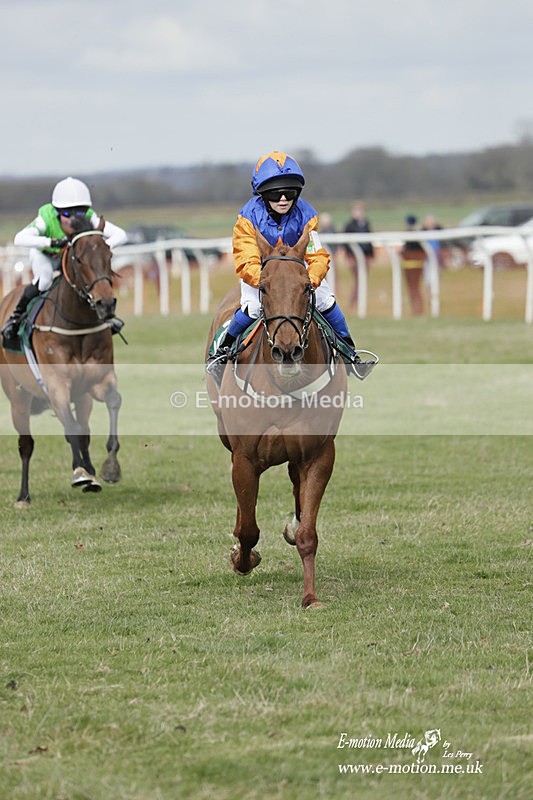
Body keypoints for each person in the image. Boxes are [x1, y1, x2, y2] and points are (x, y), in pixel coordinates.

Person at [206, 150, 376, 383]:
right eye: (276, 194)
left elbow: (317, 255)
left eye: (290, 192)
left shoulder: (307, 215)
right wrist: (267, 281)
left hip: (300, 277)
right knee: (252, 307)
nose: (284, 199)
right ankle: (222, 353)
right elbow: (246, 258)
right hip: (261, 278)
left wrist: (309, 280)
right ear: (263, 194)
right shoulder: (247, 218)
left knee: (326, 300)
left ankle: (350, 356)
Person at [2, 177, 127, 341]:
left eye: (80, 212)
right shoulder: (46, 217)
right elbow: (19, 238)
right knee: (45, 280)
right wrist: (51, 242)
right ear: (57, 212)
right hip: (45, 255)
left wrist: (96, 249)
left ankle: (106, 320)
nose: (74, 219)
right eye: (67, 213)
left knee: (87, 282)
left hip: (70, 258)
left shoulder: (90, 217)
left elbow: (121, 235)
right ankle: (16, 318)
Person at [343, 201, 374, 308]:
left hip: (365, 256)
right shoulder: (349, 225)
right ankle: (353, 304)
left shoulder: (366, 223)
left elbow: (370, 240)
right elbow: (345, 242)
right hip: (354, 257)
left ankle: (359, 303)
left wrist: (371, 255)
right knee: (359, 280)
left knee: (362, 280)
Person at [400, 214, 426, 316]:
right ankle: (416, 309)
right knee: (414, 289)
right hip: (411, 265)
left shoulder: (414, 235)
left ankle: (418, 309)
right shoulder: (416, 234)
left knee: (414, 288)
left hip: (414, 266)